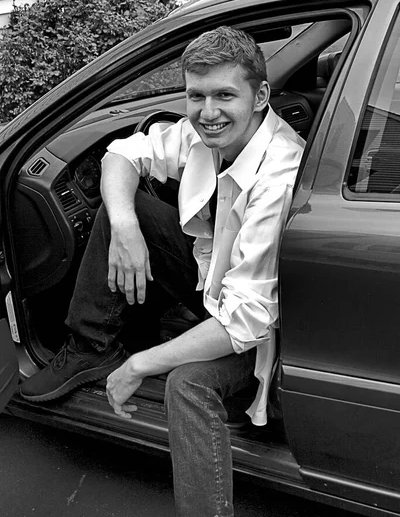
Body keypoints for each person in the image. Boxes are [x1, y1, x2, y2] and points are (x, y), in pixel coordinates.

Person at [20, 26, 305, 517]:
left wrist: (141, 363)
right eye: (196, 95)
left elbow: (248, 320)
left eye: (224, 96)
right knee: (122, 207)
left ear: (260, 96)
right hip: (213, 280)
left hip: (266, 329)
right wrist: (126, 225)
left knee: (185, 383)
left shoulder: (277, 175)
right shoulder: (207, 132)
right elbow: (123, 154)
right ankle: (91, 346)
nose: (208, 112)